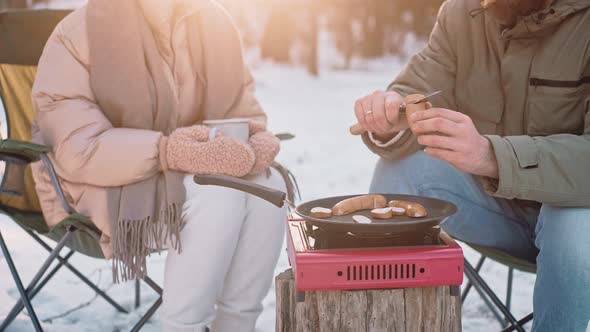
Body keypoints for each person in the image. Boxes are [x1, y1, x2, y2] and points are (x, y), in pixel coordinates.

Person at [30, 1, 286, 331]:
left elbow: (243, 111)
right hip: (100, 187)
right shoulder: (77, 34)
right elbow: (78, 148)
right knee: (219, 198)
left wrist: (255, 140)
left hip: (188, 177)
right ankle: (184, 326)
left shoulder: (215, 23)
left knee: (270, 188)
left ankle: (235, 325)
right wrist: (167, 152)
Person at [354, 0, 590, 331]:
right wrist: (395, 114)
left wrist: (490, 155)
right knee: (399, 177)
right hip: (500, 213)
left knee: (574, 219)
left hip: (576, 227)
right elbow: (419, 88)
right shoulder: (462, 13)